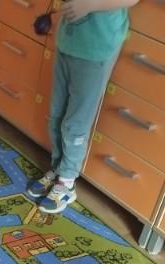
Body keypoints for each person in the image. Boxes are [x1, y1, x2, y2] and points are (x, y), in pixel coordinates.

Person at [27, 0, 139, 213]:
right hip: (68, 42)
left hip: (95, 48)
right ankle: (58, 168)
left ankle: (67, 182)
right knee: (56, 116)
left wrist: (91, 5)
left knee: (75, 124)